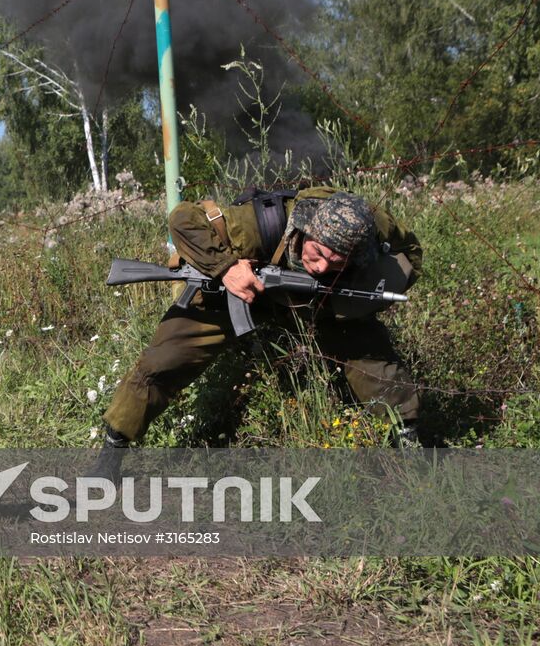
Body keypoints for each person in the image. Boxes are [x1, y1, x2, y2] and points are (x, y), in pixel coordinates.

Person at [95, 187, 424, 472]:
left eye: (337, 262)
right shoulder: (254, 228)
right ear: (307, 230)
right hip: (235, 289)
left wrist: (354, 297)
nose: (323, 266)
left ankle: (409, 449)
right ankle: (111, 454)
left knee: (374, 360)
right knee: (162, 362)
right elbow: (183, 217)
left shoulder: (374, 226)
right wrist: (225, 269)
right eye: (319, 253)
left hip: (319, 301)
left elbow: (411, 254)